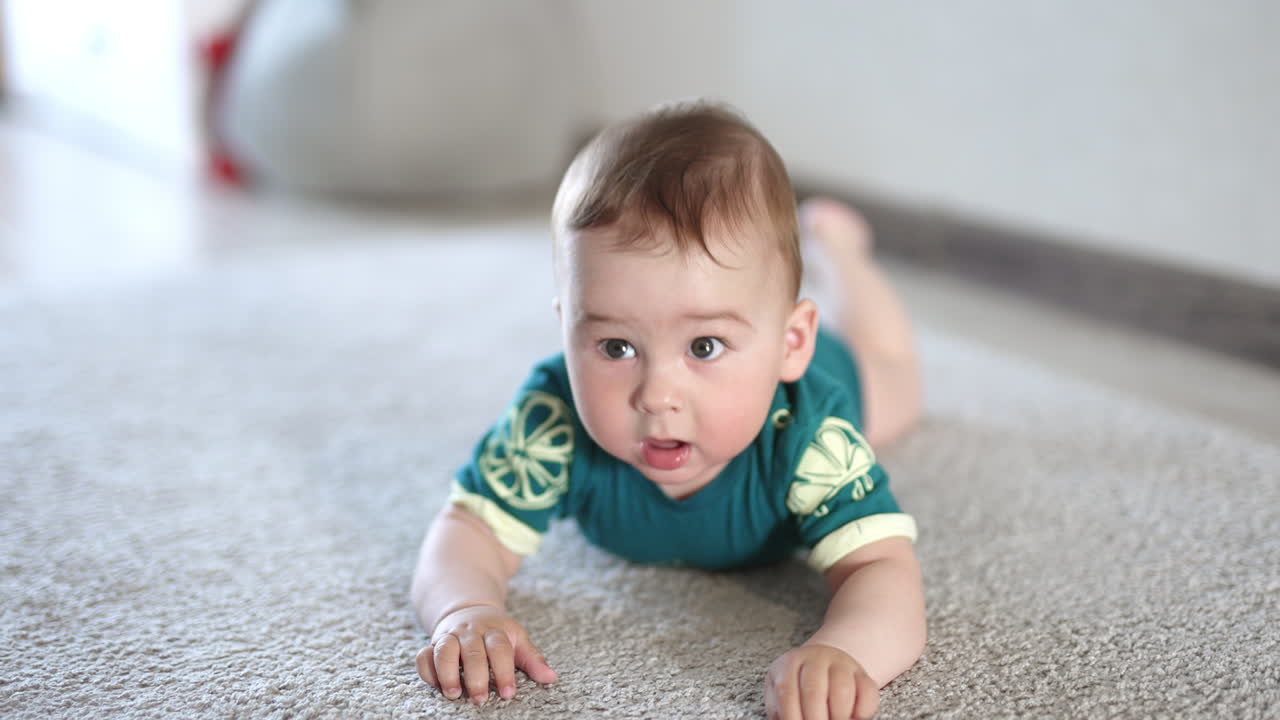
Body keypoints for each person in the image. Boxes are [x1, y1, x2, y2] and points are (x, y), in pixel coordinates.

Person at [410, 100, 926, 720]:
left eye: (704, 346)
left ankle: (840, 251)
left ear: (791, 342)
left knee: (894, 372)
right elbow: (468, 531)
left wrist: (845, 650)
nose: (656, 394)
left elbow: (882, 568)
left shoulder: (813, 435)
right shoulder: (554, 418)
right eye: (616, 346)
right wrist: (465, 610)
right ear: (568, 331)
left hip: (832, 374)